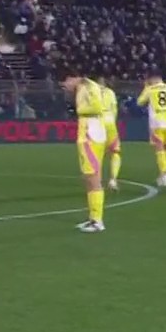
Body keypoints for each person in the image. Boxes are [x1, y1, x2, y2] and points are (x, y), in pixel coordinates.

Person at [62, 70, 119, 230]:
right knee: (88, 178)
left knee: (93, 177)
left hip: (91, 134)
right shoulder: (83, 88)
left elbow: (97, 107)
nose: (65, 85)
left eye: (66, 81)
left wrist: (79, 110)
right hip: (88, 133)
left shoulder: (89, 87)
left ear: (74, 78)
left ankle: (97, 221)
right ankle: (93, 218)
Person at [137, 73, 166, 186]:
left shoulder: (151, 89)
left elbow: (139, 102)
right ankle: (164, 175)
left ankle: (164, 175)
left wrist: (146, 87)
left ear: (152, 79)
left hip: (156, 122)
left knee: (159, 149)